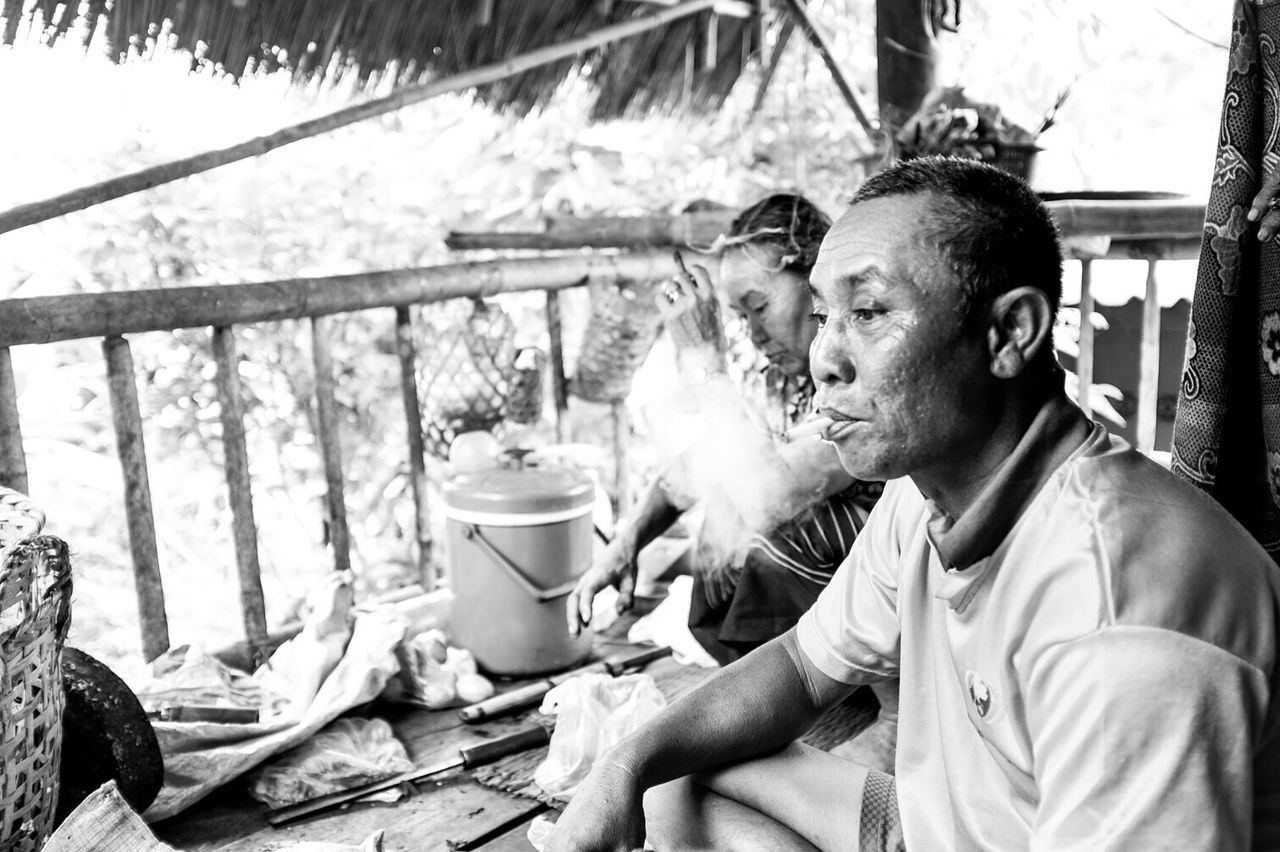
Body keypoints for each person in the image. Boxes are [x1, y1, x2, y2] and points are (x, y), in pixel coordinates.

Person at [549, 157, 1280, 851]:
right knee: (666, 780)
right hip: (956, 827)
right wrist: (624, 763)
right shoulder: (923, 493)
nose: (824, 358)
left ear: (1010, 333)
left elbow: (768, 498)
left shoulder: (1121, 620)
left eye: (867, 312)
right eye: (826, 316)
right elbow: (804, 669)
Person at [566, 194, 897, 769]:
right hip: (834, 623)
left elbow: (771, 497)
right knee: (726, 493)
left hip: (894, 631)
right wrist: (624, 546)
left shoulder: (855, 372)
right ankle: (797, 702)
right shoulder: (781, 378)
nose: (752, 331)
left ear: (814, 283)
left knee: (773, 528)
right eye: (739, 316)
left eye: (759, 306)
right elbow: (709, 458)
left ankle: (889, 717)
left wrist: (703, 357)